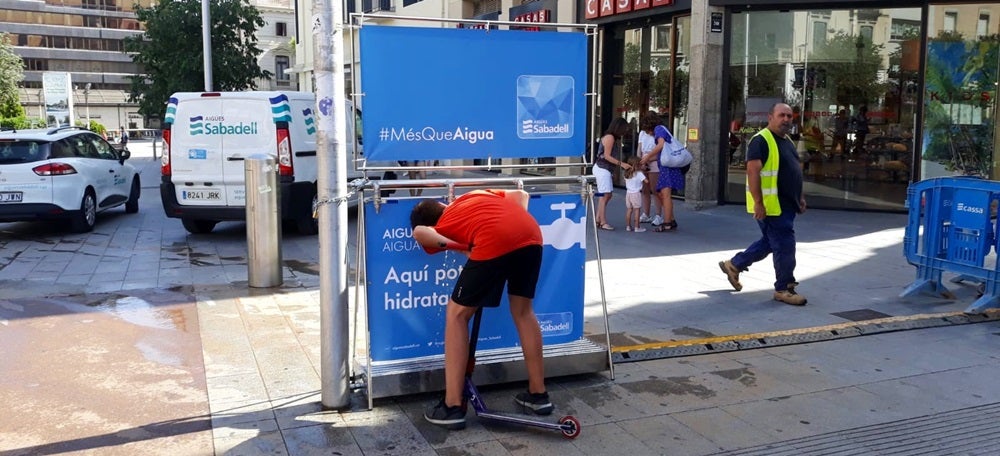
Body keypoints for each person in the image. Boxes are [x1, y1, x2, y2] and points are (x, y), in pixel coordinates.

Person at [410, 189, 552, 430]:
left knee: (456, 314)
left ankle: (452, 406)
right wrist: (511, 232)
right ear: (443, 204)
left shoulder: (443, 223)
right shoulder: (473, 196)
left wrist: (464, 245)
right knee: (523, 312)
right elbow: (521, 195)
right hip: (531, 236)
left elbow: (420, 233)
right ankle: (538, 396)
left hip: (493, 238)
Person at [719, 102, 808, 306]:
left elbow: (794, 172)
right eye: (781, 115)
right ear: (770, 117)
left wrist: (800, 197)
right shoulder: (761, 141)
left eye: (789, 116)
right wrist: (759, 203)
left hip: (786, 204)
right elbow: (752, 172)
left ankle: (734, 264)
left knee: (771, 241)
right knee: (785, 245)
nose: (786, 119)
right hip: (771, 206)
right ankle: (783, 288)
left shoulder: (786, 142)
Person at [639, 117, 683, 232]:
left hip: (667, 168)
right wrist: (647, 160)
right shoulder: (661, 129)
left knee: (665, 194)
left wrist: (648, 156)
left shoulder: (659, 129)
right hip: (665, 165)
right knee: (662, 193)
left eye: (648, 130)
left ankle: (667, 222)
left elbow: (661, 145)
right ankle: (671, 219)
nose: (648, 133)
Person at [593, 117, 633, 231]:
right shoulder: (610, 138)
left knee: (606, 195)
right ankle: (603, 221)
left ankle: (598, 219)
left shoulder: (610, 137)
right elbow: (607, 156)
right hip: (603, 168)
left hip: (604, 168)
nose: (625, 131)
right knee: (605, 195)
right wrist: (622, 164)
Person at [636, 111, 663, 225]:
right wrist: (640, 161)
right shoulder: (642, 133)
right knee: (645, 189)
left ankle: (658, 215)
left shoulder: (658, 133)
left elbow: (660, 151)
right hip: (644, 161)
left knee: (655, 189)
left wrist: (648, 159)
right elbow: (639, 148)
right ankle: (646, 214)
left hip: (654, 161)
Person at [622, 156, 647, 232]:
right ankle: (637, 227)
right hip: (636, 193)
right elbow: (646, 181)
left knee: (629, 210)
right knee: (637, 210)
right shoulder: (639, 174)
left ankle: (628, 226)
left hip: (628, 193)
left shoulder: (626, 173)